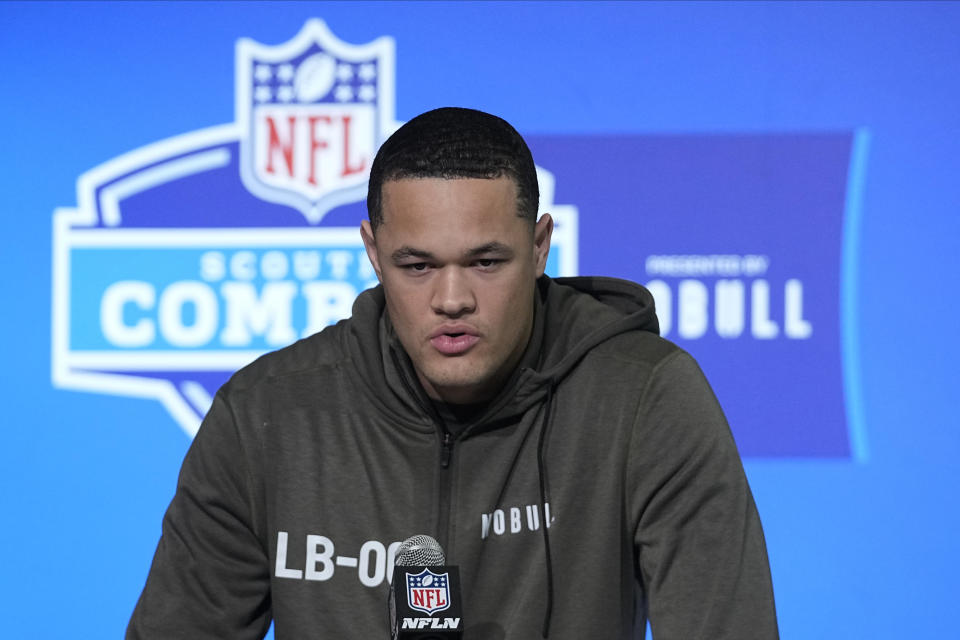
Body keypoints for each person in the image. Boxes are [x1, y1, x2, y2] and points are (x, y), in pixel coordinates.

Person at [127, 107, 779, 639]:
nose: (451, 299)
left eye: (486, 262)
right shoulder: (267, 415)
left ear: (541, 245)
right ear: (373, 252)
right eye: (417, 266)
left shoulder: (643, 397)